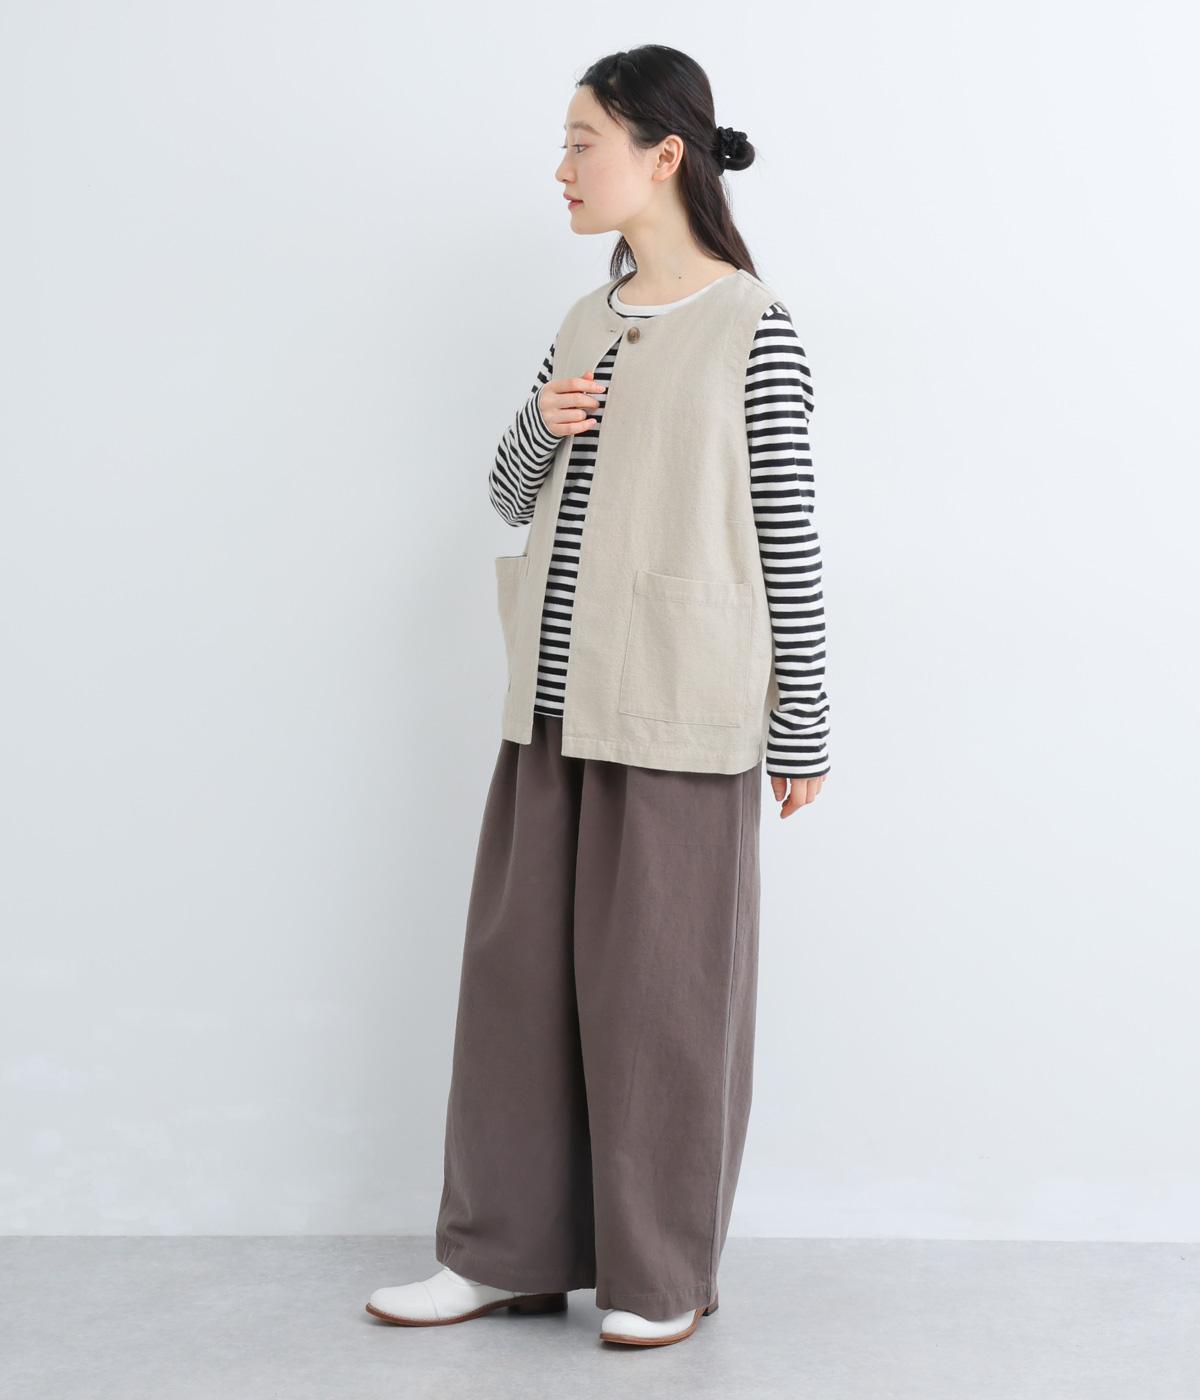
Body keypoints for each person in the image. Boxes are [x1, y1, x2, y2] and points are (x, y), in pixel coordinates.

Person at [366, 44, 831, 1349]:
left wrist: (803, 725)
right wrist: (543, 426)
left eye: (583, 142)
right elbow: (507, 493)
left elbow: (789, 539)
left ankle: (659, 1274)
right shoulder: (587, 319)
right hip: (552, 712)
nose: (562, 168)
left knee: (661, 1003)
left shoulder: (755, 328)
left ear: (663, 154)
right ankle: (499, 1256)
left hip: (681, 710)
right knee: (515, 987)